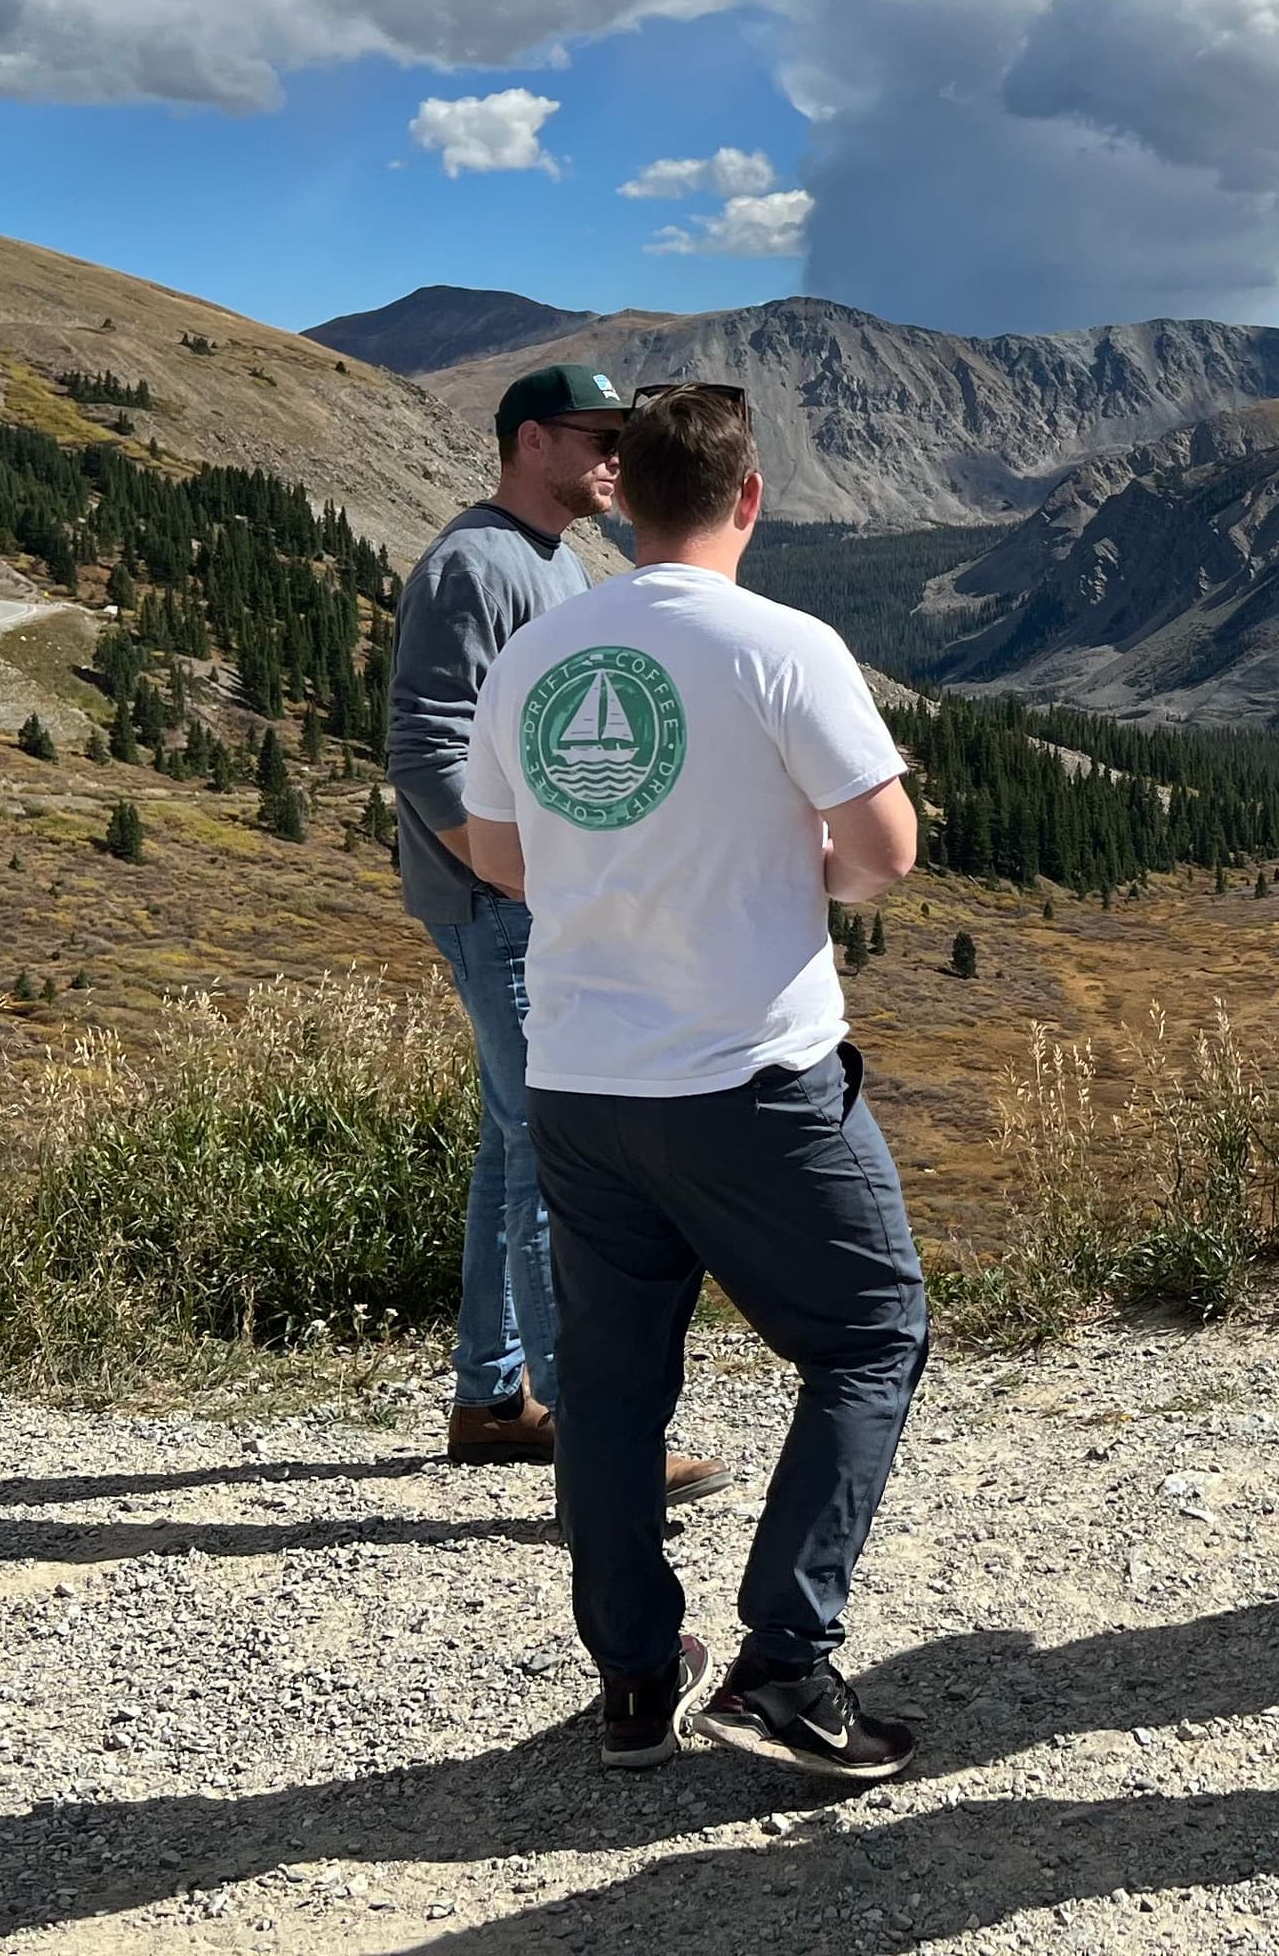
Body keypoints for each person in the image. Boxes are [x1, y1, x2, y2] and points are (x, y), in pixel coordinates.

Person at [449, 381, 931, 1779]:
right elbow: (885, 850)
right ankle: (784, 1659)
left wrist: (613, 887)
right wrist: (799, 877)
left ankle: (637, 1683)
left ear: (627, 496)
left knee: (610, 1388)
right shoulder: (784, 646)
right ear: (749, 499)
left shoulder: (542, 655)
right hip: (750, 1076)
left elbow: (496, 854)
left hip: (583, 1082)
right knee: (870, 1334)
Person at [390, 358, 723, 1500]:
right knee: (555, 1157)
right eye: (598, 437)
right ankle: (597, 1442)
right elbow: (423, 739)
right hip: (502, 908)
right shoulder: (473, 563)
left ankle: (491, 1399)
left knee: (512, 1144)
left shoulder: (549, 558)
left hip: (521, 902)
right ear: (533, 441)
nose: (616, 460)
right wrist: (510, 875)